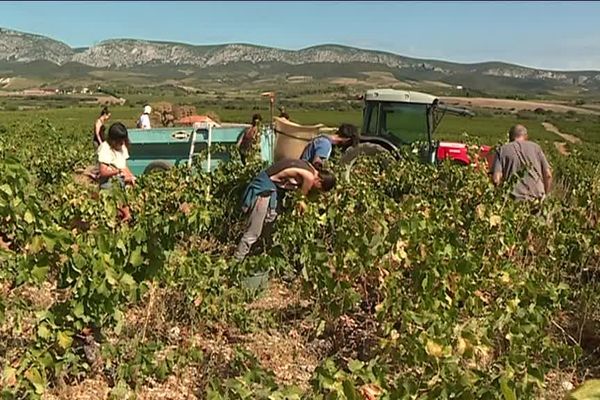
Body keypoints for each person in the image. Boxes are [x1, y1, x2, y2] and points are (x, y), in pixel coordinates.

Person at [234, 159, 336, 261]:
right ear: (319, 181)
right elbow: (300, 201)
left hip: (272, 189)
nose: (315, 190)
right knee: (253, 231)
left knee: (270, 221)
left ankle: (257, 256)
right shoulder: (309, 177)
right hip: (264, 189)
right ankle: (237, 260)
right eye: (319, 188)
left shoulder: (310, 167)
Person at [491, 124, 552, 201]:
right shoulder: (536, 148)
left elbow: (496, 179)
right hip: (537, 198)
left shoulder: (502, 150)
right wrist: (545, 194)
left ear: (510, 137)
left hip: (513, 200)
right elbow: (548, 175)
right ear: (526, 136)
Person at [97, 122, 136, 221]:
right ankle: (125, 215)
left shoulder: (122, 147)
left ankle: (127, 215)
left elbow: (124, 166)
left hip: (119, 180)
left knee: (128, 195)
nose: (122, 143)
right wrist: (117, 171)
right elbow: (103, 172)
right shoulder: (105, 148)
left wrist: (131, 177)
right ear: (113, 140)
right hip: (109, 182)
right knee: (117, 198)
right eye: (119, 141)